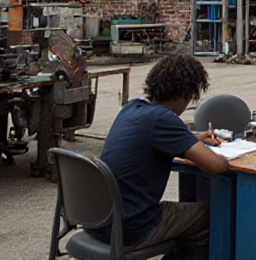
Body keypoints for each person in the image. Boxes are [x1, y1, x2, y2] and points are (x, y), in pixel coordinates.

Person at [96, 53, 229, 260]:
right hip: (131, 228)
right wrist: (233, 156)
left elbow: (155, 135)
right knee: (210, 216)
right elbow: (215, 165)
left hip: (98, 220)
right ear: (181, 95)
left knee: (185, 214)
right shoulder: (164, 120)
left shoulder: (132, 108)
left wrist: (193, 137)